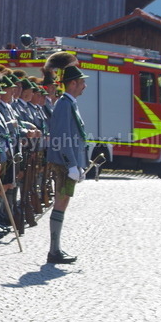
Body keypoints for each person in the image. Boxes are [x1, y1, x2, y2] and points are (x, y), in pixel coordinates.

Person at [46, 65, 89, 264]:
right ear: (72, 83)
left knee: (63, 203)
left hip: (69, 162)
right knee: (61, 202)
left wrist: (79, 163)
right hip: (64, 163)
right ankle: (54, 251)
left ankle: (56, 249)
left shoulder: (70, 103)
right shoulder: (64, 104)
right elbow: (63, 136)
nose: (84, 86)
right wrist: (72, 164)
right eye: (81, 82)